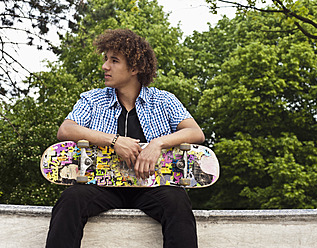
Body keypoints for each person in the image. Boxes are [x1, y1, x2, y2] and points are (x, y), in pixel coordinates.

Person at [45, 28, 205, 248]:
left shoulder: (164, 100)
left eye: (114, 60)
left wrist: (158, 143)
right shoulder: (93, 99)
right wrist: (114, 140)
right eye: (105, 59)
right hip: (103, 186)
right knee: (71, 198)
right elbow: (66, 129)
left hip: (151, 186)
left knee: (177, 201)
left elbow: (196, 133)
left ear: (135, 68)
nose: (105, 66)